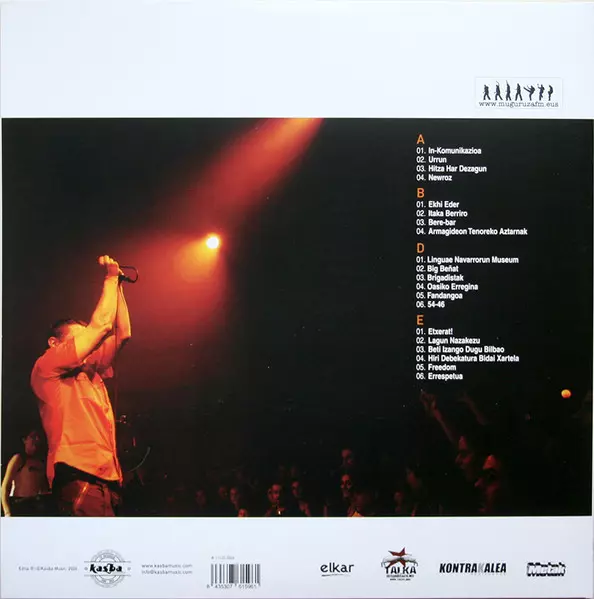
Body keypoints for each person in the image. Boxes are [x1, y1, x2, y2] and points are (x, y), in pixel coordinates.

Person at [30, 255, 132, 516]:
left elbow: (123, 334)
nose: (89, 344)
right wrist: (109, 278)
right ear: (55, 342)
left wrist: (118, 284)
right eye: (80, 337)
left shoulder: (91, 369)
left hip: (108, 478)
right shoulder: (47, 366)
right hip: (77, 475)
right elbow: (102, 326)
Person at [1, 429, 50, 516]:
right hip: (19, 505)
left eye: (38, 437)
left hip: (35, 506)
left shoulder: (41, 463)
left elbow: (43, 488)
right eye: (33, 436)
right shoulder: (18, 459)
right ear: (25, 440)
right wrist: (7, 512)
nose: (37, 439)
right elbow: (5, 486)